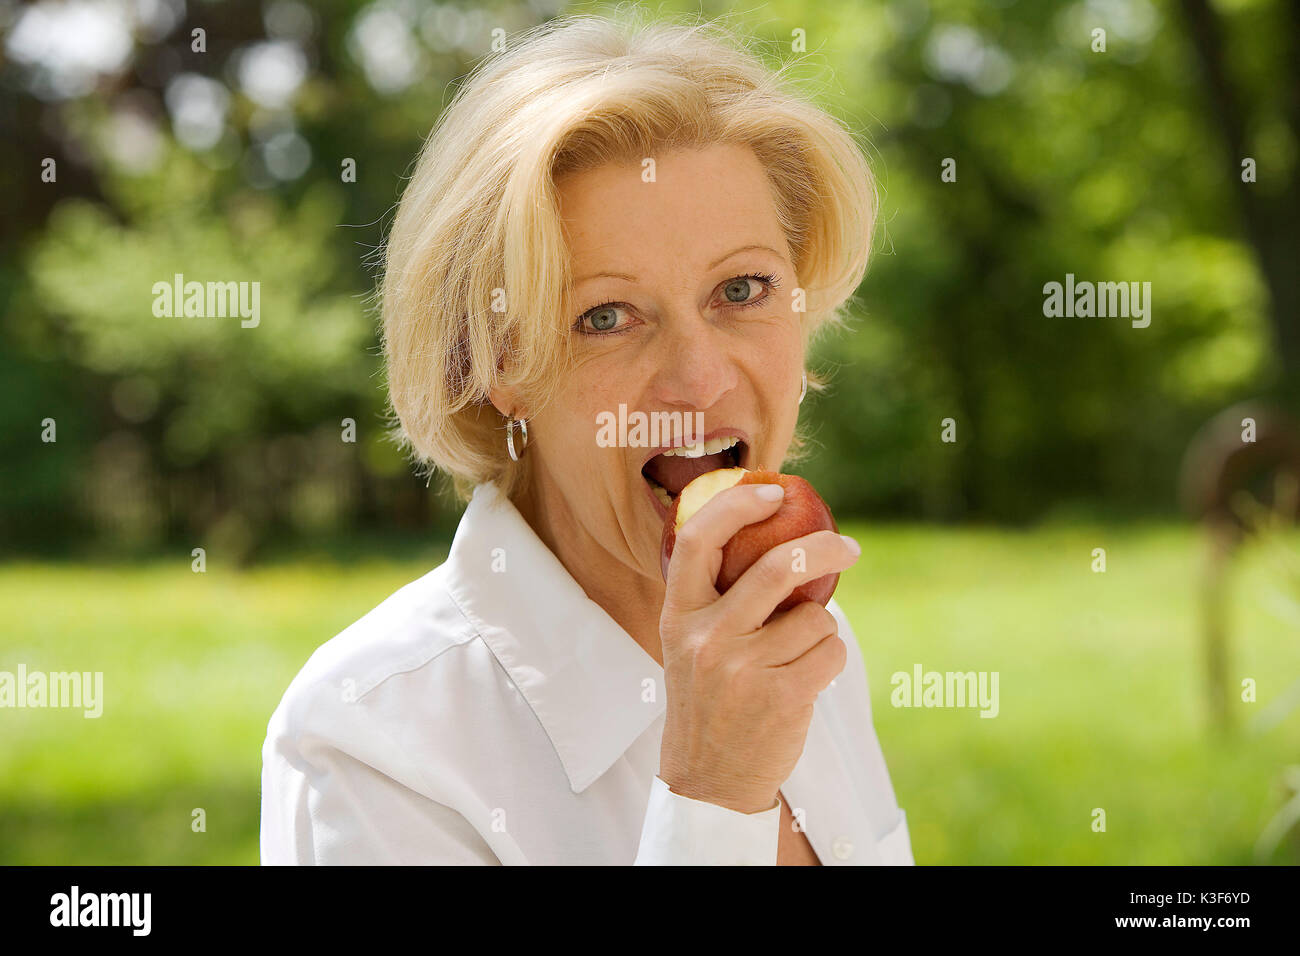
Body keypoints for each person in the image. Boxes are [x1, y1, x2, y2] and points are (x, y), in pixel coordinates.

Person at [260, 12, 913, 866]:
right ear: (497, 361)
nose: (701, 379)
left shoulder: (794, 641)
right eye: (606, 317)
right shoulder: (374, 740)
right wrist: (711, 796)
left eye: (743, 288)